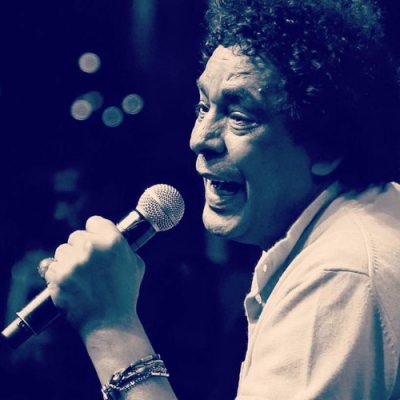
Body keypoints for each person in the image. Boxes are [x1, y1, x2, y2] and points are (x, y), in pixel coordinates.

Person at [40, 0, 400, 398]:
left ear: (326, 145)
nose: (199, 139)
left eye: (240, 116)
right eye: (203, 106)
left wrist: (110, 326)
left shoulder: (338, 277)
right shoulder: (368, 220)